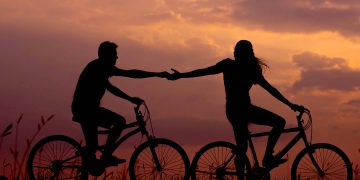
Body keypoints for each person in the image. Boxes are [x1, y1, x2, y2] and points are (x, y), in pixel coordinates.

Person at [167, 40, 303, 178]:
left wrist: (180, 76)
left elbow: (203, 72)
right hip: (242, 110)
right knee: (274, 125)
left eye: (237, 51)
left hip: (235, 110)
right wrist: (290, 105)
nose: (235, 53)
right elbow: (271, 90)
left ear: (239, 53)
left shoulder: (237, 67)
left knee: (244, 146)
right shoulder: (246, 69)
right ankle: (267, 158)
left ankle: (256, 165)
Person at [72, 41, 169, 166]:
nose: (117, 57)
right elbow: (129, 74)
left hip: (87, 110)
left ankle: (91, 161)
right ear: (107, 56)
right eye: (114, 55)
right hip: (85, 110)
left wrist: (130, 98)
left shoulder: (100, 68)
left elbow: (113, 86)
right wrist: (156, 74)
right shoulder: (99, 67)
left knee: (92, 147)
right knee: (119, 122)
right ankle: (106, 155)